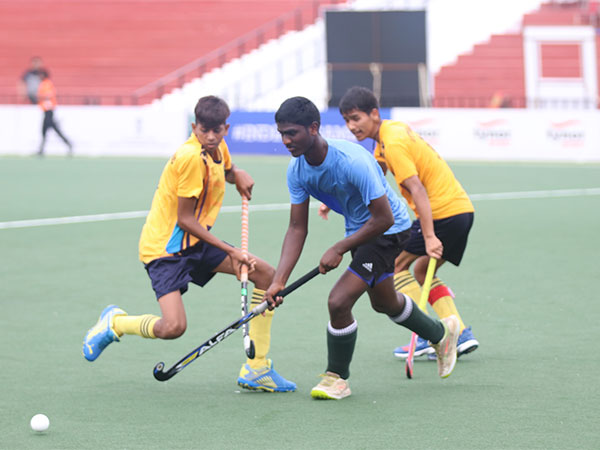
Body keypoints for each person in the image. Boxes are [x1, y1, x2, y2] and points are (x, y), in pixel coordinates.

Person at [82, 95, 296, 393]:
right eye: (203, 130)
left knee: (265, 274)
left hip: (194, 241)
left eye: (216, 130)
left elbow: (226, 170)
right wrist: (230, 250)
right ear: (194, 126)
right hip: (165, 248)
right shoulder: (189, 157)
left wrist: (238, 175)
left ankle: (256, 368)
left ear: (226, 128)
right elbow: (184, 219)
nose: (210, 136)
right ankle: (116, 323)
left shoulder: (218, 147)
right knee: (173, 328)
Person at [264, 96, 459, 400]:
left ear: (313, 128)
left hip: (390, 230)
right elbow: (297, 227)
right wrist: (279, 280)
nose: (286, 140)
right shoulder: (297, 170)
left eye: (292, 133)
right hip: (361, 230)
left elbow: (384, 218)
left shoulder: (350, 161)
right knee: (385, 303)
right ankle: (441, 335)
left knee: (338, 301)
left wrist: (339, 247)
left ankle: (337, 378)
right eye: (282, 134)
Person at [336, 86, 479, 361]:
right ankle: (458, 332)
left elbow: (417, 189)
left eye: (356, 118)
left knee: (397, 265)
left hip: (442, 213)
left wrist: (428, 236)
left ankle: (428, 334)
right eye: (347, 120)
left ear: (374, 114)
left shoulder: (394, 142)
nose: (351, 126)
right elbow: (377, 174)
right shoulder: (388, 136)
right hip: (461, 211)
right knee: (424, 272)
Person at [37, 71, 73, 156]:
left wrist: (41, 97)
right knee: (46, 130)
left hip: (49, 111)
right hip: (46, 111)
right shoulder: (44, 84)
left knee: (48, 130)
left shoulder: (47, 84)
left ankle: (68, 144)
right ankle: (41, 150)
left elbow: (48, 95)